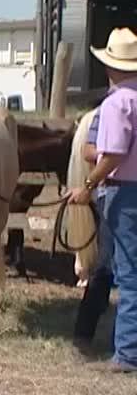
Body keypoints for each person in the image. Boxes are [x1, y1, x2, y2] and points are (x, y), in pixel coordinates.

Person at [69, 27, 137, 373]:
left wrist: (87, 185)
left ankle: (127, 354)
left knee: (127, 273)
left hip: (123, 192)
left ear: (110, 66)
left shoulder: (116, 104)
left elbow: (112, 155)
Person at [72, 107, 115, 356]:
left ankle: (84, 333)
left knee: (106, 266)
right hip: (117, 192)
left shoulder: (112, 106)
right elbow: (89, 151)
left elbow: (90, 152)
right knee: (106, 266)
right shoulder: (114, 107)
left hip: (114, 192)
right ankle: (85, 333)